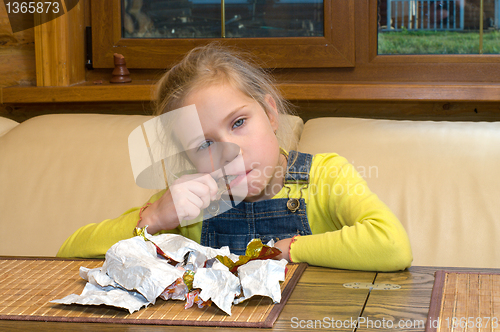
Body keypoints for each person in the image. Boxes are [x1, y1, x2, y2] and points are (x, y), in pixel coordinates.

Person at [57, 43, 412, 271]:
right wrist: (153, 219)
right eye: (204, 145)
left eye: (239, 122)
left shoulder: (326, 176)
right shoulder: (191, 203)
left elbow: (392, 246)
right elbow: (67, 255)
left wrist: (289, 250)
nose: (231, 152)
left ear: (271, 114)